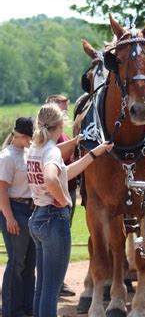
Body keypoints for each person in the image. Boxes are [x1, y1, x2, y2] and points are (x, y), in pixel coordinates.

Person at [27, 102, 113, 317]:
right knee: (51, 289)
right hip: (54, 220)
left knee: (42, 287)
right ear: (59, 124)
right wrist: (64, 200)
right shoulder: (51, 152)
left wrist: (92, 152)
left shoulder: (37, 148)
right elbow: (53, 178)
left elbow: (64, 171)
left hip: (38, 218)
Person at [0, 117, 36, 317]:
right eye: (28, 137)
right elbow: (2, 191)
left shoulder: (28, 153)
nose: (30, 141)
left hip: (30, 208)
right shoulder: (6, 157)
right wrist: (9, 217)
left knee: (30, 261)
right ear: (20, 136)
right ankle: (12, 310)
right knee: (17, 260)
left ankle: (27, 306)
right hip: (15, 207)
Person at [45, 94, 77, 297]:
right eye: (62, 108)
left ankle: (58, 282)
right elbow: (53, 174)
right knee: (56, 243)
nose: (65, 111)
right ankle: (53, 285)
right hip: (56, 197)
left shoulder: (61, 135)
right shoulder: (50, 143)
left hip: (68, 189)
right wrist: (64, 200)